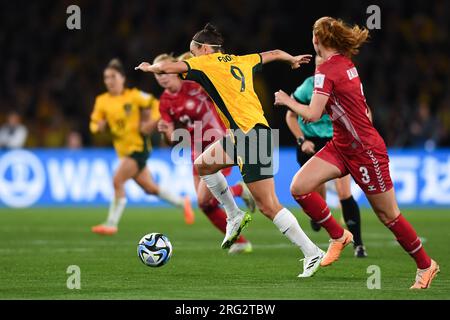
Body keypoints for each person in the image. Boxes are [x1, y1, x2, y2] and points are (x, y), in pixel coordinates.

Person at [136, 23, 324, 277]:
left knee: (269, 206)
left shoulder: (206, 63)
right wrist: (291, 59)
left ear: (204, 49)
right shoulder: (241, 60)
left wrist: (151, 68)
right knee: (203, 164)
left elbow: (171, 66)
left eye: (193, 53)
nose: (191, 57)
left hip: (251, 136)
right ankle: (233, 214)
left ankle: (311, 252)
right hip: (243, 134)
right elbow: (274, 53)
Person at [274, 17, 439, 289]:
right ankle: (339, 236)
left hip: (365, 151)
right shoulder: (342, 63)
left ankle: (425, 264)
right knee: (299, 187)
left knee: (389, 216)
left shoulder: (328, 70)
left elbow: (313, 115)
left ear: (317, 40)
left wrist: (287, 101)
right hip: (341, 146)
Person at [154, 52, 255, 254]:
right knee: (205, 205)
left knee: (203, 199)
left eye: (165, 71)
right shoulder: (164, 102)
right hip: (196, 150)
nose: (162, 77)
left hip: (219, 142)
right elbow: (173, 138)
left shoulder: (195, 85)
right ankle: (241, 241)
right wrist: (167, 133)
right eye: (158, 74)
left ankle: (239, 191)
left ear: (175, 69)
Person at [90, 58, 193, 235]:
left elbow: (156, 105)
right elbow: (93, 124)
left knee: (117, 180)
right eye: (106, 77)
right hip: (123, 151)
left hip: (138, 148)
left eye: (113, 76)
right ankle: (182, 202)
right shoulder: (102, 101)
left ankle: (111, 224)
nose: (110, 81)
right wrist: (99, 127)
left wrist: (151, 123)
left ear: (122, 78)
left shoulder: (135, 96)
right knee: (150, 188)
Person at [285, 55, 367, 258]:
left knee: (344, 191)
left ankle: (358, 243)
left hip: (336, 140)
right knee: (316, 194)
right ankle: (319, 217)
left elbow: (364, 112)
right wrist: (302, 140)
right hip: (311, 143)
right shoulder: (308, 87)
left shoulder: (344, 86)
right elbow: (290, 115)